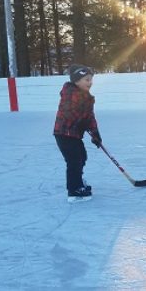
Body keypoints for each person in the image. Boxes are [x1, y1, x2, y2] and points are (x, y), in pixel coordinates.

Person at [54, 64, 102, 202]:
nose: (90, 82)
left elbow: (89, 116)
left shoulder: (86, 97)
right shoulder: (70, 93)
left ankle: (78, 181)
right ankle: (74, 191)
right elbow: (69, 110)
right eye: (87, 79)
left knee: (81, 156)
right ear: (76, 81)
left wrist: (95, 133)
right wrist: (81, 121)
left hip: (73, 134)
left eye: (91, 79)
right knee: (74, 160)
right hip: (64, 133)